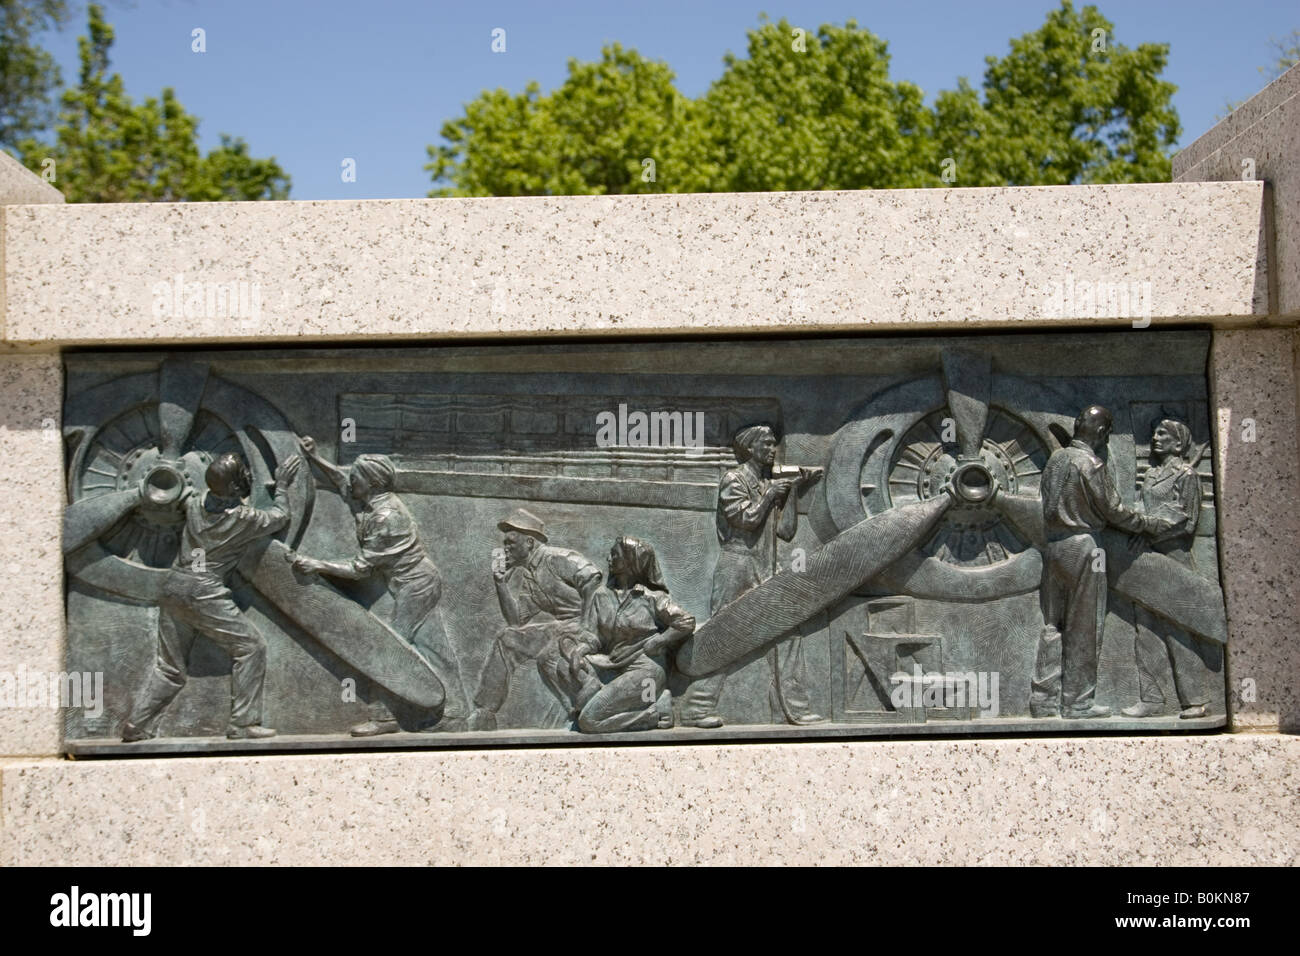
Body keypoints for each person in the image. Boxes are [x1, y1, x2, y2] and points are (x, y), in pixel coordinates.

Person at [290, 439, 469, 736]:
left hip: (416, 584)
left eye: (356, 477)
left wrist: (316, 564)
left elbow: (361, 569)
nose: (351, 481)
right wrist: (315, 458)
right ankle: (457, 714)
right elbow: (341, 481)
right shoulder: (373, 501)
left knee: (388, 647)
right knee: (436, 648)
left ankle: (385, 718)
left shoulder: (387, 517)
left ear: (371, 483)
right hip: (411, 582)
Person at [122, 452, 302, 741]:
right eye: (241, 475)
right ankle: (242, 724)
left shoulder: (194, 504)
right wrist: (281, 486)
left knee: (169, 668)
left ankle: (136, 725)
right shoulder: (244, 518)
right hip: (204, 592)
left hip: (175, 587)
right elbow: (281, 517)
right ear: (233, 488)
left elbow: (175, 496)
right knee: (251, 648)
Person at [679, 424, 825, 728]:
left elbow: (786, 532)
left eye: (774, 445)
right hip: (737, 565)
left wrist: (792, 491)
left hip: (766, 566)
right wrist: (771, 493)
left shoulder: (767, 483)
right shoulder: (734, 480)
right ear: (750, 448)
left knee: (787, 631)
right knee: (725, 634)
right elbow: (745, 519)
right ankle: (696, 707)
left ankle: (791, 709)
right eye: (767, 444)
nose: (773, 450)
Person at [1031, 406, 1169, 719]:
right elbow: (1115, 511)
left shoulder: (1055, 459)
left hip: (1054, 548)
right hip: (1086, 549)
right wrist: (1147, 524)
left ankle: (1043, 700)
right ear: (1103, 433)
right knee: (1084, 626)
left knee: (1052, 623)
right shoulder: (1091, 464)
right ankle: (1078, 703)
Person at [466, 509, 602, 731]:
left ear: (529, 543)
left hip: (589, 622)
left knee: (548, 655)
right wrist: (501, 585)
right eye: (504, 543)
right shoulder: (530, 576)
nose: (505, 548)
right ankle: (485, 712)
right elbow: (516, 621)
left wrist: (587, 627)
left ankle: (580, 710)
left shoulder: (557, 558)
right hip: (562, 627)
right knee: (507, 638)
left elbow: (593, 581)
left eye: (510, 542)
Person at [1122, 418, 1220, 719]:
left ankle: (1197, 700)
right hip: (1146, 559)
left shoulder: (1186, 474)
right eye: (1154, 432)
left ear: (1178, 443)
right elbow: (1141, 507)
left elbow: (1184, 520)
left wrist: (1147, 529)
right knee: (1145, 629)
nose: (1155, 437)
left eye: (1162, 433)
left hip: (1173, 558)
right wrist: (1138, 525)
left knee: (1179, 631)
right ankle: (1152, 699)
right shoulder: (1151, 474)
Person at [569, 537, 695, 733]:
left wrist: (661, 640)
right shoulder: (601, 596)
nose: (608, 558)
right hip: (611, 665)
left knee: (588, 721)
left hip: (646, 671)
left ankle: (652, 713)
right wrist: (581, 649)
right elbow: (593, 636)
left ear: (630, 562)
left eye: (615, 554)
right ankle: (646, 703)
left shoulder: (653, 598)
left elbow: (686, 622)